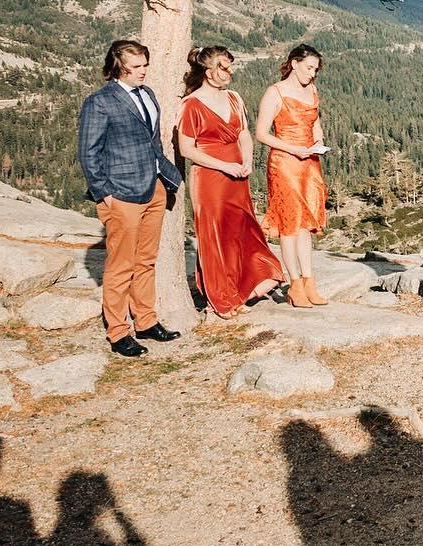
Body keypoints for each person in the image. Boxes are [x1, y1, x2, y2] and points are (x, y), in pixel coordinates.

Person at [78, 39, 184, 357]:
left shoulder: (147, 95)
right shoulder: (100, 102)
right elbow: (88, 152)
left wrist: (165, 180)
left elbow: (154, 141)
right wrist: (104, 194)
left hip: (153, 187)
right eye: (135, 67)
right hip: (121, 193)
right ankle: (118, 331)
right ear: (117, 68)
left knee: (146, 260)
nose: (143, 71)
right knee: (120, 265)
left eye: (144, 65)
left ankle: (147, 321)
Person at [177, 45, 284, 319]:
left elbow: (244, 134)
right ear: (208, 71)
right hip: (210, 177)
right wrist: (225, 165)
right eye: (224, 67)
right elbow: (187, 150)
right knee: (215, 233)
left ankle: (248, 283)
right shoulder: (191, 105)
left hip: (238, 175)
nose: (230, 72)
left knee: (242, 228)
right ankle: (221, 296)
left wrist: (246, 161)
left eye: (229, 66)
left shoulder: (234, 98)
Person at [256, 44, 329, 309]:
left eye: (316, 70)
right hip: (285, 161)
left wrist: (318, 136)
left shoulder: (311, 89)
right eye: (309, 68)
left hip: (309, 160)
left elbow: (314, 120)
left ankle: (309, 282)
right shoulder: (275, 93)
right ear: (294, 63)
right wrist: (293, 149)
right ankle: (294, 284)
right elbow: (262, 133)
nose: (312, 74)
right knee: (289, 224)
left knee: (306, 223)